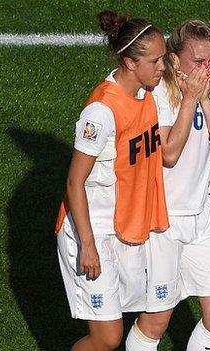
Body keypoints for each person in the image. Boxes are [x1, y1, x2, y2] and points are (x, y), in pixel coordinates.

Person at [54, 10, 169, 351]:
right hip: (91, 231)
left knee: (136, 318)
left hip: (122, 226)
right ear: (130, 62)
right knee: (107, 337)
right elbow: (75, 182)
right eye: (156, 61)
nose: (163, 67)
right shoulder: (100, 113)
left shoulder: (145, 93)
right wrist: (87, 244)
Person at [125, 19, 210, 351]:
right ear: (175, 60)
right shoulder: (155, 89)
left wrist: (205, 97)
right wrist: (190, 98)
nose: (208, 67)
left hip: (202, 214)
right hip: (162, 220)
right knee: (157, 320)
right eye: (199, 61)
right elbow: (169, 154)